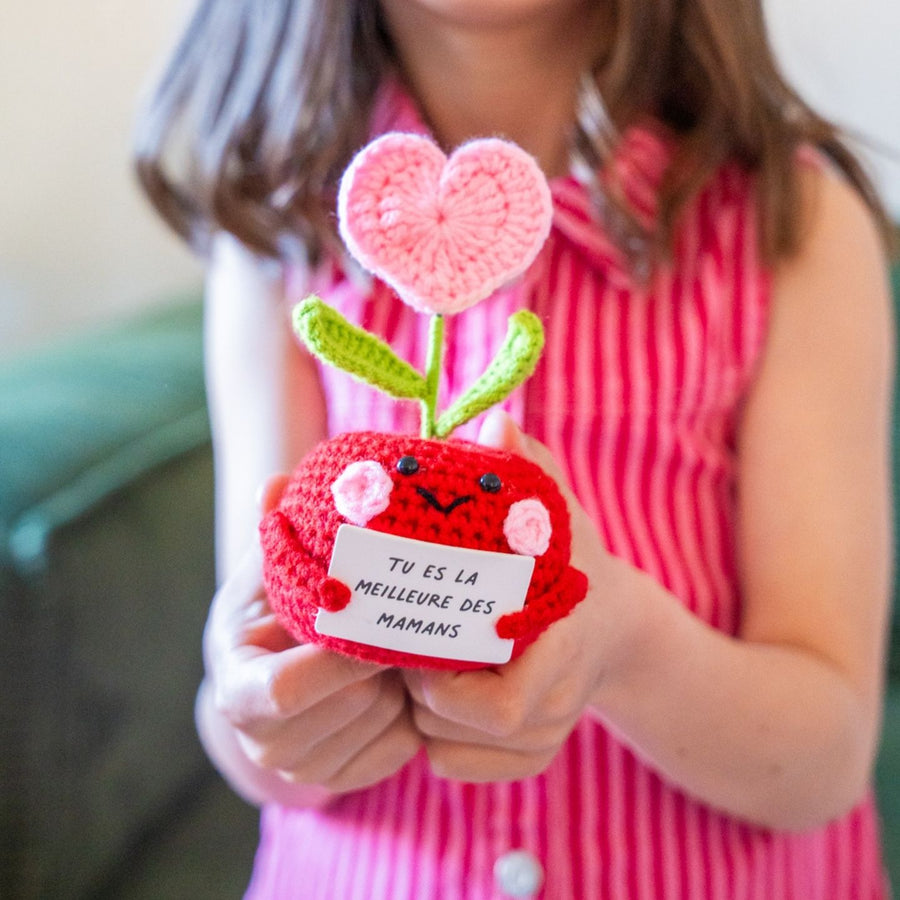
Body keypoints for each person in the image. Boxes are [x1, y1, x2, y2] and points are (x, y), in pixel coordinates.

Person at [135, 0, 896, 896]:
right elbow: (256, 691)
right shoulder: (275, 240)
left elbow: (826, 756)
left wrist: (625, 650)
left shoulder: (794, 230)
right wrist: (262, 717)